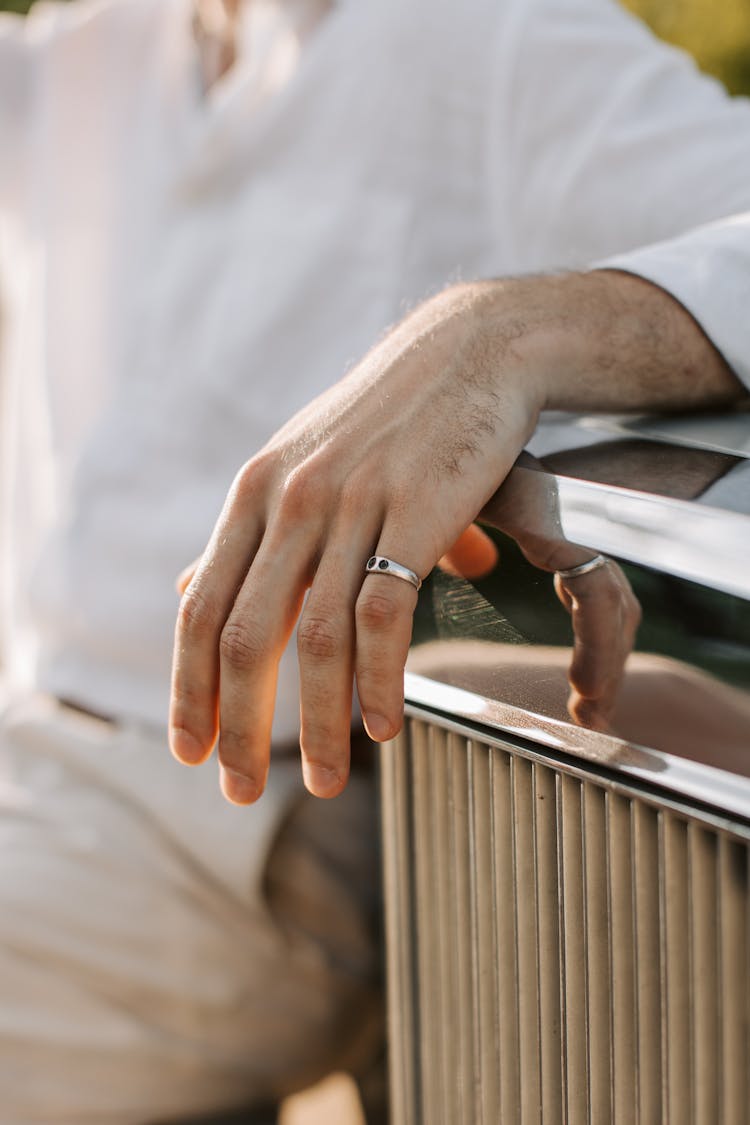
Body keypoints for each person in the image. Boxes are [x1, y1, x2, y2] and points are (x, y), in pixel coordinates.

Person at [2, 0, 750, 1121]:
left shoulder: (488, 35)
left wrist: (499, 333)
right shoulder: (79, 59)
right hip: (33, 767)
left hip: (240, 819)